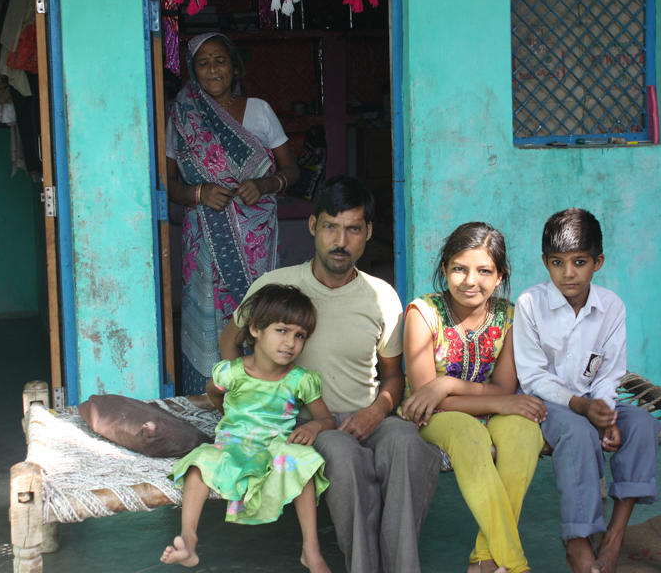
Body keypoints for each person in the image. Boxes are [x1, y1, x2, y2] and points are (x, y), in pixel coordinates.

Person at [219, 176, 442, 573]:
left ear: (368, 232)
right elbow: (230, 341)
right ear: (312, 226)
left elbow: (394, 377)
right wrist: (244, 389)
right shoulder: (276, 285)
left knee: (408, 444)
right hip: (305, 424)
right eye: (331, 227)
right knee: (342, 455)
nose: (342, 240)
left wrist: (376, 412)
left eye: (354, 228)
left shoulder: (380, 295)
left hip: (367, 416)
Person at [513, 208, 661, 573]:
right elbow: (531, 376)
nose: (568, 273)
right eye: (557, 262)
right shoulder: (530, 305)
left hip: (593, 401)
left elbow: (611, 373)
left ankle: (613, 540)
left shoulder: (611, 306)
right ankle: (578, 542)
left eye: (579, 262)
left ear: (598, 262)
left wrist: (606, 413)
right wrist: (582, 407)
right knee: (578, 433)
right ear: (545, 263)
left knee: (642, 425)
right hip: (545, 403)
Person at [401, 222, 546, 573]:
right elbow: (424, 400)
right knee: (470, 435)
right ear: (445, 269)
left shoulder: (510, 317)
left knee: (526, 433)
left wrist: (446, 384)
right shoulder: (423, 313)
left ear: (500, 276)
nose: (470, 281)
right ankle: (514, 563)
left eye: (484, 271)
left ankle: (484, 560)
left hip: (487, 409)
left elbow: (505, 388)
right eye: (459, 269)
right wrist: (493, 401)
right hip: (434, 419)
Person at [161, 284, 334, 572]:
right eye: (282, 330)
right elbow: (213, 393)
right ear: (255, 329)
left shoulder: (300, 379)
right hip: (232, 447)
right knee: (199, 463)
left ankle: (311, 550)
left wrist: (315, 426)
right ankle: (189, 541)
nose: (290, 343)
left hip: (273, 449)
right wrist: (225, 411)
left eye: (299, 335)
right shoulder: (233, 372)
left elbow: (327, 419)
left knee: (305, 463)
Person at [166, 32, 301, 394]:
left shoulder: (259, 110)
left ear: (234, 66)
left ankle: (261, 395)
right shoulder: (182, 118)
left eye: (220, 59)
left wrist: (266, 184)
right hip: (205, 242)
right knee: (209, 318)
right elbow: (168, 187)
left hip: (255, 238)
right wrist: (199, 191)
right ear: (193, 71)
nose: (213, 68)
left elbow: (292, 170)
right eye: (203, 62)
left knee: (257, 311)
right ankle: (210, 398)